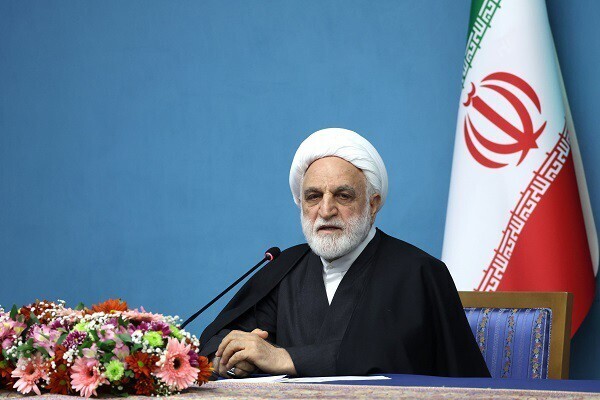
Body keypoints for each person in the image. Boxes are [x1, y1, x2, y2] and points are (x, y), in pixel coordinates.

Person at [199, 128, 490, 378]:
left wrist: (283, 358)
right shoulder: (287, 267)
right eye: (314, 196)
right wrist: (234, 359)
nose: (326, 210)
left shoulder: (417, 272)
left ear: (372, 205)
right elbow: (222, 338)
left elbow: (394, 356)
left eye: (343, 195)